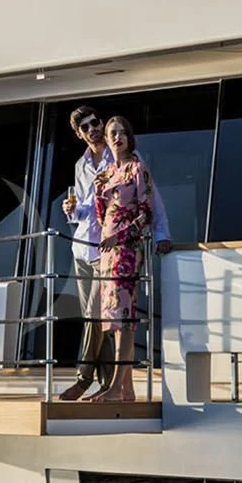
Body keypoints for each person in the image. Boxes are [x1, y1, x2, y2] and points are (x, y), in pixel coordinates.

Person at [59, 106, 171, 401]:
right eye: (86, 127)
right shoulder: (83, 165)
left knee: (103, 316)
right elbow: (93, 211)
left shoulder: (131, 163)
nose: (94, 129)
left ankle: (86, 380)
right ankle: (115, 384)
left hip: (115, 249)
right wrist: (73, 210)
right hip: (84, 247)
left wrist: (162, 235)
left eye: (96, 123)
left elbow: (151, 203)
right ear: (79, 134)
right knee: (98, 318)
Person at [89, 116, 154, 403]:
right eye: (112, 133)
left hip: (127, 250)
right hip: (107, 253)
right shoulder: (102, 177)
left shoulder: (137, 169)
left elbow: (146, 213)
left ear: (129, 137)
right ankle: (126, 388)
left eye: (122, 133)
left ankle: (116, 386)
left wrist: (121, 235)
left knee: (125, 318)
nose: (117, 138)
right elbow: (102, 216)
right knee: (113, 319)